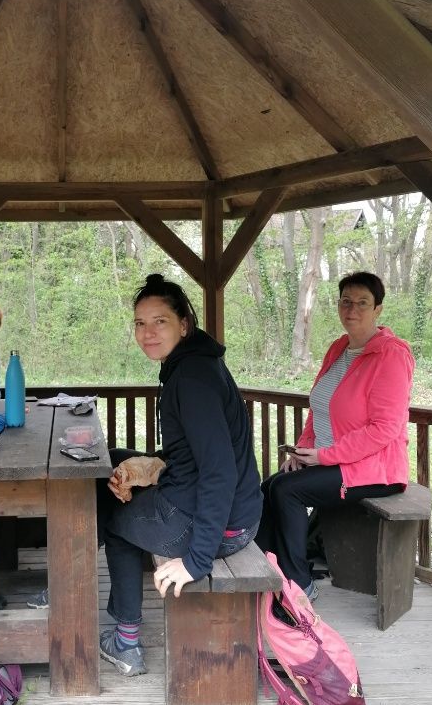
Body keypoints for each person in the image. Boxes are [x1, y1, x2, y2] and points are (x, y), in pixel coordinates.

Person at [99, 273, 263, 677]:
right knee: (114, 460)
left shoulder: (190, 379)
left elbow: (219, 471)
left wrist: (197, 561)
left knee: (111, 517)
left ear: (183, 323)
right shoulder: (193, 364)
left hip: (212, 528)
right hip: (230, 515)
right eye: (140, 323)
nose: (148, 332)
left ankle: (126, 640)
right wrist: (149, 466)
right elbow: (195, 453)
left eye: (160, 321)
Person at [256, 271, 415, 599]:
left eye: (362, 303)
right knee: (271, 485)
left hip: (375, 470)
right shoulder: (339, 348)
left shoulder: (392, 355)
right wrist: (303, 450)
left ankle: (300, 584)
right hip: (334, 460)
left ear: (378, 310)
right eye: (346, 301)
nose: (352, 309)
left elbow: (384, 429)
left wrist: (324, 456)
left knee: (288, 492)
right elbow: (319, 408)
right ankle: (267, 571)